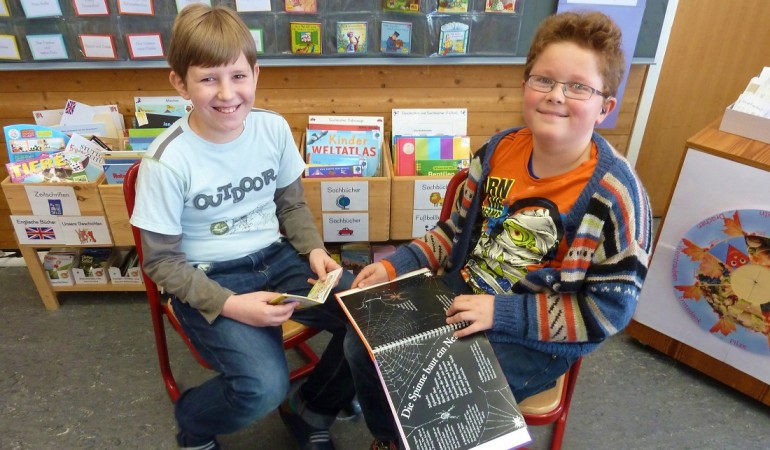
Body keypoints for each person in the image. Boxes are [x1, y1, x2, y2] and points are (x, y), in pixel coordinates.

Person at [345, 10, 653, 449]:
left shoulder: (617, 198)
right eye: (543, 79)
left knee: (432, 395)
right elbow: (453, 231)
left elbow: (605, 313)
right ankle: (389, 438)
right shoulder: (497, 151)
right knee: (363, 346)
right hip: (461, 292)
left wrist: (500, 313)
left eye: (579, 86)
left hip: (536, 336)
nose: (556, 96)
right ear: (525, 85)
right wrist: (398, 265)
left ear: (605, 107)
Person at [129, 5, 356, 450]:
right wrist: (232, 305)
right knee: (262, 386)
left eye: (237, 76)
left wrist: (312, 250)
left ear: (255, 73)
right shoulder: (166, 161)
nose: (227, 93)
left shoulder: (272, 129)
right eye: (208, 78)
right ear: (181, 83)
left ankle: (312, 406)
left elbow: (291, 207)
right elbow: (162, 263)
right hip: (208, 277)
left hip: (278, 261)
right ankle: (193, 420)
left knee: (373, 318)